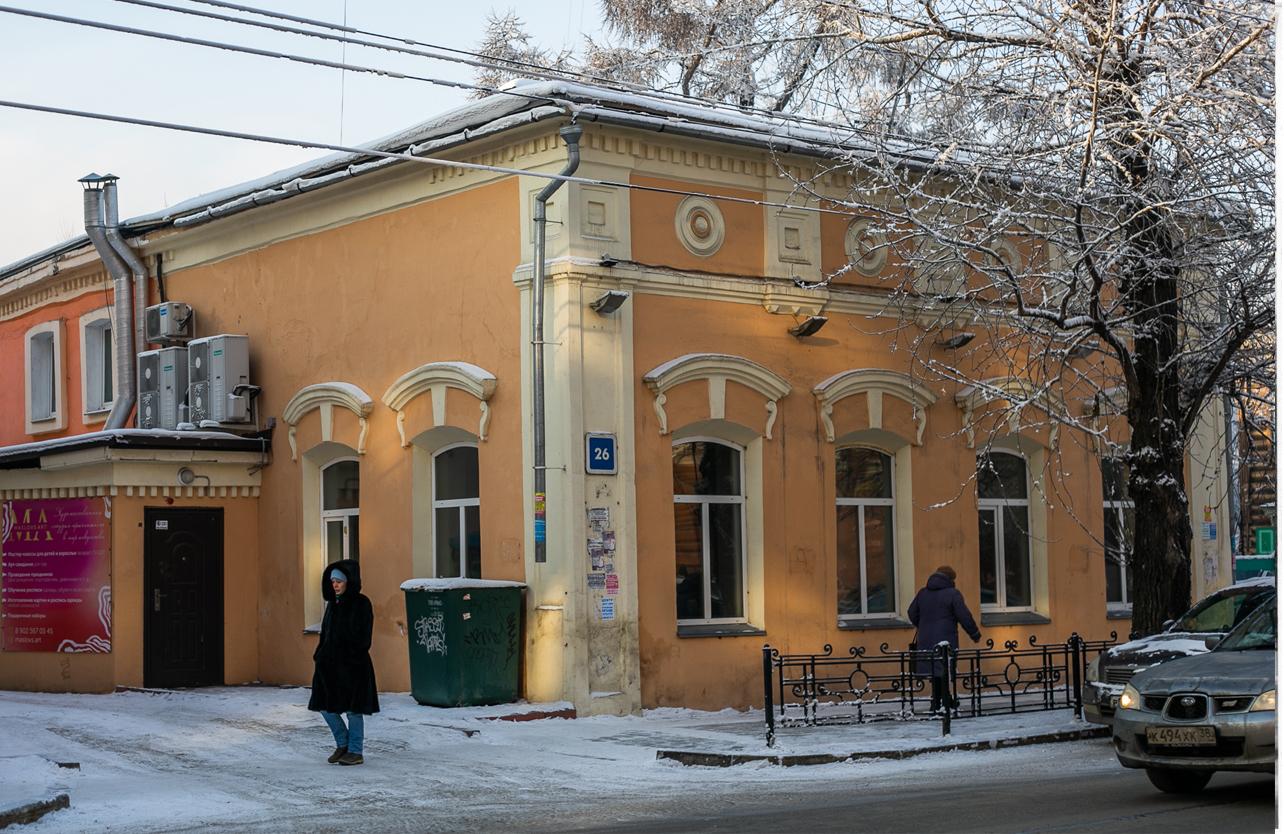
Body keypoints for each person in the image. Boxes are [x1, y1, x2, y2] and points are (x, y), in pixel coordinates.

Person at [308, 559, 379, 765]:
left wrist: (348, 656)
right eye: (332, 582)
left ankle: (355, 751)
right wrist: (320, 655)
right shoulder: (333, 604)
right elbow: (325, 634)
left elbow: (364, 638)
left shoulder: (361, 603)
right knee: (325, 707)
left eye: (339, 581)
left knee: (353, 710)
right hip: (328, 666)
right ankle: (343, 743)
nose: (335, 585)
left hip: (352, 666)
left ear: (348, 581)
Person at [907, 565, 981, 715]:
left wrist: (922, 625)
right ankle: (944, 701)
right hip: (946, 639)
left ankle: (937, 701)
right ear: (951, 578)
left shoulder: (923, 593)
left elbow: (911, 612)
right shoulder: (952, 594)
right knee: (944, 668)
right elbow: (964, 616)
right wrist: (974, 633)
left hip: (925, 639)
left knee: (934, 671)